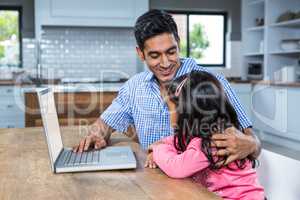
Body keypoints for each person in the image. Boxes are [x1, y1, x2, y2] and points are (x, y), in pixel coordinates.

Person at [73, 9, 261, 168]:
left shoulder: (212, 82)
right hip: (155, 184)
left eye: (171, 52)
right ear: (140, 53)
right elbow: (105, 124)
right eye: (154, 55)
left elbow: (253, 141)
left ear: (178, 44)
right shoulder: (134, 87)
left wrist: (251, 145)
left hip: (207, 187)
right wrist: (96, 135)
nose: (165, 63)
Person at [149, 70, 265, 199]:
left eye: (169, 108)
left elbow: (177, 168)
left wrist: (157, 149)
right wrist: (164, 142)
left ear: (186, 111)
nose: (167, 113)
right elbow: (176, 140)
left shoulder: (215, 142)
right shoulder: (205, 133)